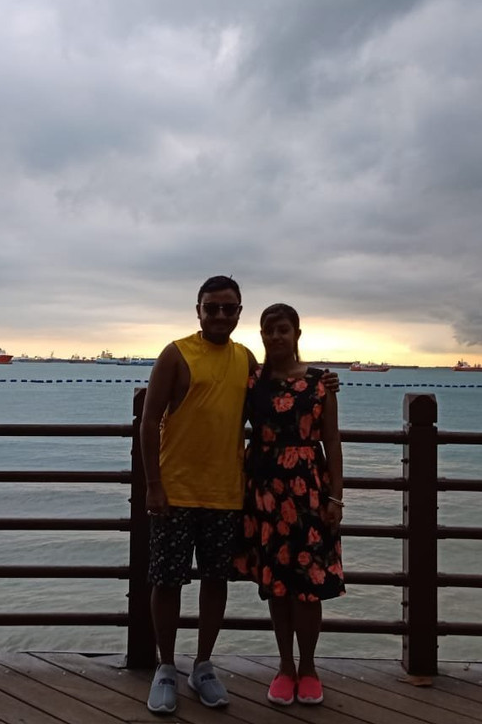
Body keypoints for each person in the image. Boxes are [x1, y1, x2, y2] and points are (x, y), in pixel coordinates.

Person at [140, 275, 256, 714]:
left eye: (229, 308)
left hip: (226, 491)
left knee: (215, 580)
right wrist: (153, 484)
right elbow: (148, 420)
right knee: (166, 580)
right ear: (198, 311)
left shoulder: (246, 358)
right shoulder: (176, 353)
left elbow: (278, 395)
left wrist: (322, 382)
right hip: (175, 490)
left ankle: (203, 665)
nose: (220, 315)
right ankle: (166, 666)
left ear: (239, 312)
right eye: (212, 308)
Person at [236, 302, 345, 706]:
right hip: (264, 491)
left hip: (309, 490)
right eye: (269, 330)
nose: (276, 336)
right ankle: (284, 666)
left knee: (309, 585)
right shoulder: (252, 382)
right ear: (261, 335)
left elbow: (331, 440)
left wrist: (336, 496)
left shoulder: (319, 382)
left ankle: (309, 668)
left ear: (297, 333)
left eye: (283, 329)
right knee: (278, 584)